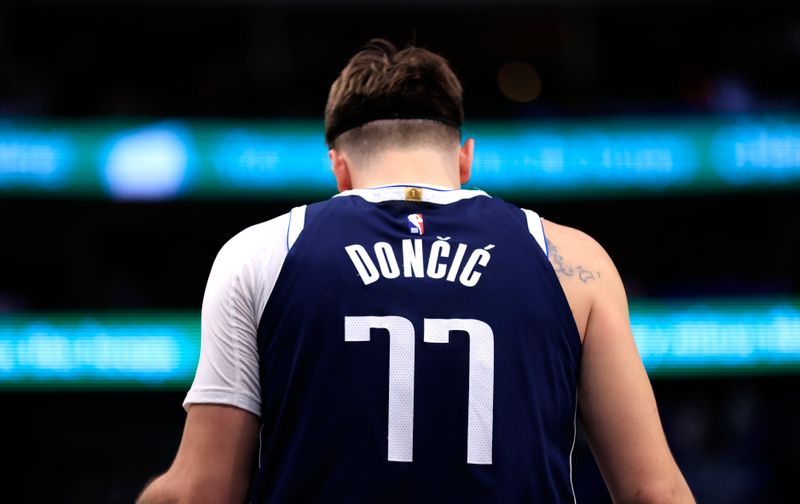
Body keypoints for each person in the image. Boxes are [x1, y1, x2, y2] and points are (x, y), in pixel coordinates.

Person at [137, 39, 694, 503]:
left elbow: (201, 492)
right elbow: (654, 493)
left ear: (339, 167)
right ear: (464, 158)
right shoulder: (576, 262)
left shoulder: (259, 254)